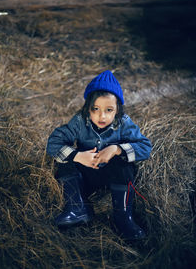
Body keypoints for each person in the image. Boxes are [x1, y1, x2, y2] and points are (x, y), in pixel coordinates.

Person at [47, 70, 152, 240]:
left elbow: (145, 146)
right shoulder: (80, 121)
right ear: (87, 108)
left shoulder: (123, 123)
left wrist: (116, 149)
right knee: (64, 160)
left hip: (112, 177)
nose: (101, 116)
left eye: (108, 110)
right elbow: (53, 143)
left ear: (117, 110)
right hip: (86, 176)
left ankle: (123, 218)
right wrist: (78, 156)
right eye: (95, 109)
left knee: (124, 164)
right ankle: (77, 207)